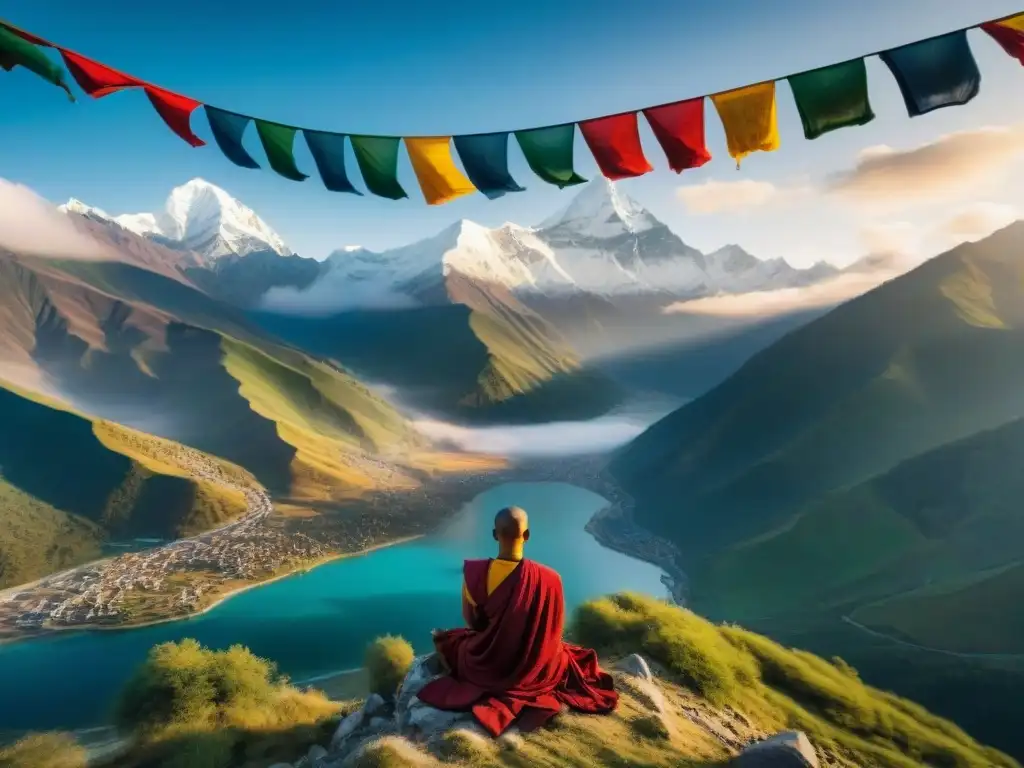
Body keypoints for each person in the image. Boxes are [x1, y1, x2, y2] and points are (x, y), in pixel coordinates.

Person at [416, 506, 618, 736]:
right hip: (536, 668)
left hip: (487, 665)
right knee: (564, 655)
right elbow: (553, 634)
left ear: (494, 535)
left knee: (452, 640)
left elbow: (473, 624)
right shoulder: (551, 579)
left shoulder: (477, 575)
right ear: (527, 535)